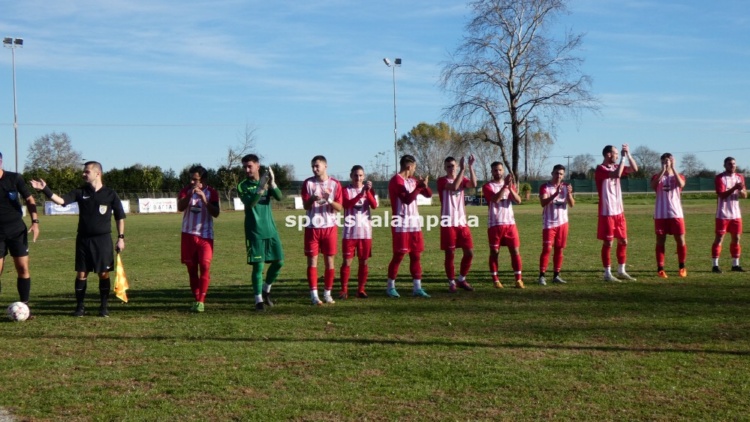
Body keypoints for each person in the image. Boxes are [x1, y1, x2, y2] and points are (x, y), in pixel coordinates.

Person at [32, 161, 125, 317]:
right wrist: (45, 189)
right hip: (83, 240)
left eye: (87, 171)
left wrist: (121, 237)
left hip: (102, 240)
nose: (83, 174)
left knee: (104, 273)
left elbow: (119, 217)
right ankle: (80, 307)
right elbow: (62, 201)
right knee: (81, 274)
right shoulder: (80, 192)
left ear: (97, 173)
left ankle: (103, 307)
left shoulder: (110, 194)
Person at [237, 154, 285, 311]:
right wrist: (260, 189)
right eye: (244, 167)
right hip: (255, 232)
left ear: (258, 166)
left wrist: (272, 183)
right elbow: (250, 203)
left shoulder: (266, 181)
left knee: (279, 262)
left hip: (271, 230)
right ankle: (258, 300)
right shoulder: (242, 186)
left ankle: (266, 289)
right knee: (258, 267)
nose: (247, 169)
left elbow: (279, 197)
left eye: (249, 166)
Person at [386, 155, 433, 298]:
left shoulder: (413, 180)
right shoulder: (396, 181)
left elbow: (428, 195)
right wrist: (419, 187)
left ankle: (417, 288)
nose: (414, 170)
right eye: (414, 167)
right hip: (401, 224)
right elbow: (406, 199)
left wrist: (424, 185)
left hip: (414, 224)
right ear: (409, 166)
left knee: (416, 255)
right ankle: (390, 287)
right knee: (399, 256)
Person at [0, 152, 39, 312]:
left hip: (16, 230)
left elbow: (29, 199)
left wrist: (35, 222)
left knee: (23, 268)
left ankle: (24, 306)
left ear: (1, 161)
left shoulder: (14, 178)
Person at [177, 165, 220, 312]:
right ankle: (196, 299)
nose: (192, 182)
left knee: (205, 265)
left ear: (203, 180)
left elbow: (216, 213)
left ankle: (201, 300)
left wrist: (204, 200)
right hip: (188, 235)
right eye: (191, 179)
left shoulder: (212, 193)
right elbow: (180, 207)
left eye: (195, 179)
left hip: (205, 236)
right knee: (192, 269)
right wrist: (189, 195)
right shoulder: (185, 190)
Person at [301, 155, 342, 305]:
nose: (314, 169)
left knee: (329, 261)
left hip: (329, 227)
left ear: (325, 166)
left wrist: (328, 199)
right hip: (312, 228)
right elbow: (305, 206)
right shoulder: (308, 183)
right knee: (312, 261)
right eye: (312, 166)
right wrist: (312, 199)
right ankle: (314, 295)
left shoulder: (335, 184)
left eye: (317, 166)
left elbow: (339, 208)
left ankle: (327, 294)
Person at [595, 144, 638, 282]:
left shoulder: (616, 166)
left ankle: (621, 270)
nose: (618, 156)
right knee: (608, 243)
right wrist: (623, 159)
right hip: (607, 212)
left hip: (619, 212)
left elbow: (634, 169)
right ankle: (607, 273)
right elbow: (617, 174)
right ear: (608, 154)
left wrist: (628, 154)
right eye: (616, 154)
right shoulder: (600, 169)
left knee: (623, 241)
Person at [437, 155, 477, 292]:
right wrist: (462, 170)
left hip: (462, 222)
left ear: (456, 166)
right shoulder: (441, 181)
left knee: (469, 253)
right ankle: (451, 282)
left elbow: (473, 184)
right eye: (448, 166)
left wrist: (470, 167)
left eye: (453, 166)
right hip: (448, 222)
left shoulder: (462, 179)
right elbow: (454, 187)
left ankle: (461, 279)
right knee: (450, 254)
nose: (451, 168)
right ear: (444, 168)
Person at [483, 161, 524, 289]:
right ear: (492, 172)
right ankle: (496, 280)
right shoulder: (487, 186)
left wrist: (510, 188)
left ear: (503, 171)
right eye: (495, 170)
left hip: (510, 224)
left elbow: (518, 200)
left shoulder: (510, 185)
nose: (498, 172)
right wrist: (505, 186)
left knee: (515, 251)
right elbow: (495, 199)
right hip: (495, 224)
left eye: (500, 170)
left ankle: (518, 279)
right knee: (494, 252)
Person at [339, 165, 377, 299]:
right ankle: (344, 290)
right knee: (346, 262)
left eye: (360, 175)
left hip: (365, 233)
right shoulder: (345, 190)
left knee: (364, 262)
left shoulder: (369, 190)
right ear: (351, 176)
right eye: (355, 175)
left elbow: (374, 205)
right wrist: (361, 194)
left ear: (364, 176)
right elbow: (346, 204)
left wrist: (368, 192)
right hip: (350, 233)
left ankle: (361, 289)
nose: (358, 178)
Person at [537, 164, 575, 285]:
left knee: (559, 249)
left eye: (561, 174)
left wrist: (569, 194)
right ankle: (542, 276)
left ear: (563, 175)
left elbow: (572, 204)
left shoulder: (566, 186)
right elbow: (543, 203)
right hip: (549, 223)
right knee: (547, 249)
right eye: (557, 173)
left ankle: (556, 275)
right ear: (552, 173)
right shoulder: (545, 187)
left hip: (563, 223)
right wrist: (555, 194)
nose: (558, 176)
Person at [651, 153, 687, 278]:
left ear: (673, 161)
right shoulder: (656, 176)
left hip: (676, 213)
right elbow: (653, 185)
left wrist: (673, 168)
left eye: (670, 160)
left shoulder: (679, 176)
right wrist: (663, 170)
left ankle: (682, 267)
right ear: (661, 162)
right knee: (660, 240)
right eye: (664, 161)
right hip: (660, 214)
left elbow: (681, 184)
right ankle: (660, 268)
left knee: (680, 240)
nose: (667, 162)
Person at [712, 156, 747, 273]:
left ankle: (735, 264)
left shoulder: (740, 177)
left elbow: (745, 195)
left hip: (736, 214)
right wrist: (734, 188)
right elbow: (722, 195)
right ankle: (715, 265)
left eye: (734, 164)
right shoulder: (720, 178)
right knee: (719, 238)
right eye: (729, 164)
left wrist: (741, 190)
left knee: (736, 238)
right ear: (724, 166)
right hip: (723, 214)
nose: (732, 166)